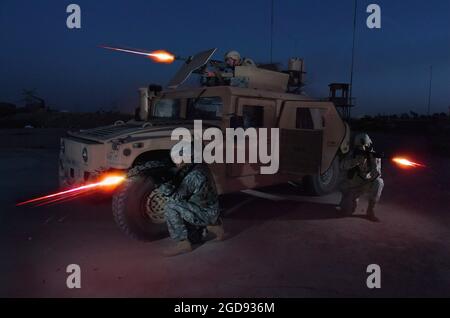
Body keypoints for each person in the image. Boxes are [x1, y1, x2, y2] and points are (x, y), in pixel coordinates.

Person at [159, 161, 224, 257]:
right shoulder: (199, 167)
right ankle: (212, 226)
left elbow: (176, 197)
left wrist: (162, 186)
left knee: (170, 206)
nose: (177, 163)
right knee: (194, 239)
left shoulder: (194, 175)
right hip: (209, 211)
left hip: (205, 213)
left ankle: (183, 243)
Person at [339, 133, 384, 222]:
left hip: (366, 183)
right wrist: (355, 161)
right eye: (359, 147)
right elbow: (342, 166)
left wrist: (372, 161)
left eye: (364, 146)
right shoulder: (352, 154)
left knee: (379, 182)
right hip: (353, 186)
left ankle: (370, 210)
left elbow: (377, 174)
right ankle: (349, 200)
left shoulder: (373, 156)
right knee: (345, 212)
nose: (362, 149)